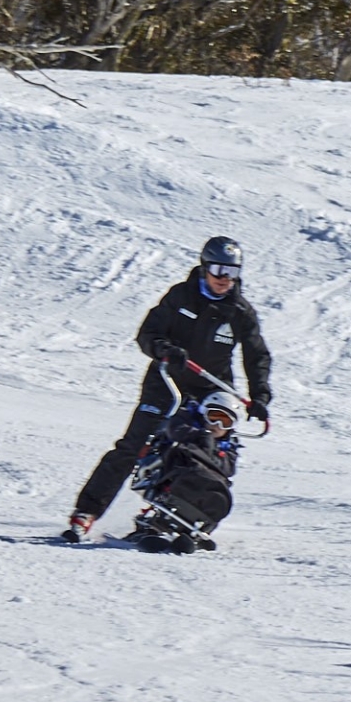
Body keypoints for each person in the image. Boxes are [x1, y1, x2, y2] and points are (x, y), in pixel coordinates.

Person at [63, 236, 272, 542]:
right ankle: (86, 513)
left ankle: (180, 514)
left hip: (210, 389)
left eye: (232, 272)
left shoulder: (239, 311)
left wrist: (260, 396)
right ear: (204, 268)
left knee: (207, 452)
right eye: (217, 270)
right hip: (167, 381)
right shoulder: (181, 296)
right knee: (136, 445)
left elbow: (256, 355)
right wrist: (164, 349)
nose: (224, 279)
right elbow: (148, 333)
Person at [128, 390, 242, 553]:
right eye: (214, 417)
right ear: (203, 414)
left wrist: (212, 452)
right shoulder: (185, 422)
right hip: (171, 474)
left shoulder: (228, 447)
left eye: (225, 422)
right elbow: (175, 430)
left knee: (220, 485)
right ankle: (153, 527)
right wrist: (201, 437)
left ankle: (193, 530)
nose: (218, 426)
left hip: (202, 488)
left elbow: (229, 468)